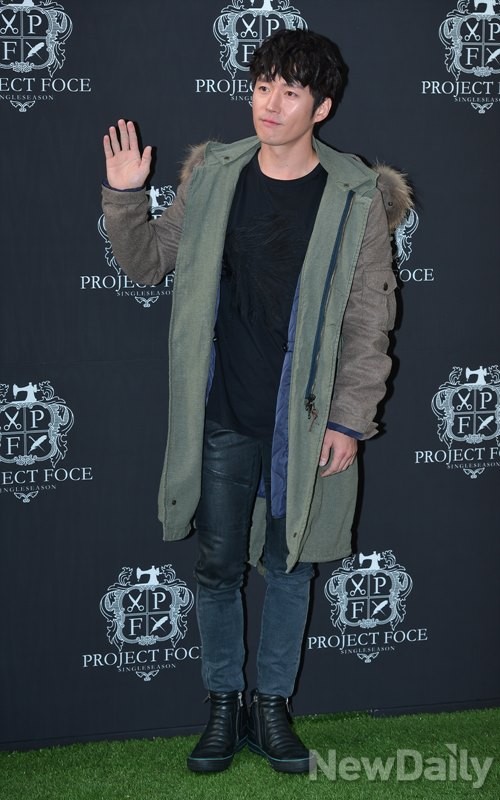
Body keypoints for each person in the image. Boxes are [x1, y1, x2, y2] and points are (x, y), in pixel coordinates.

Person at [102, 28, 411, 774]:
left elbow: (371, 319)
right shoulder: (214, 175)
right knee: (216, 566)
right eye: (262, 85)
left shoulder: (355, 194)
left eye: (290, 91)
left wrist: (350, 419)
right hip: (224, 413)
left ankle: (271, 708)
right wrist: (126, 196)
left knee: (290, 564)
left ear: (321, 107)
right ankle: (222, 706)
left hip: (303, 422)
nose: (269, 103)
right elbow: (148, 264)